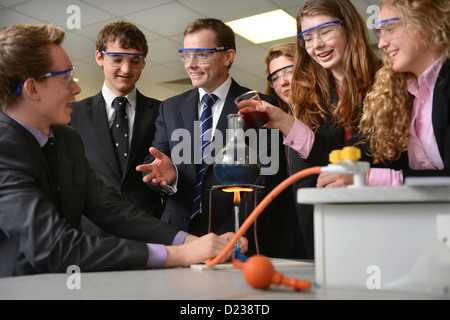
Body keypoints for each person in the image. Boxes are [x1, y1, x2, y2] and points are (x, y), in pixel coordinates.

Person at [0, 23, 245, 277]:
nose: (76, 88)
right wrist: (178, 254)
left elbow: (110, 209)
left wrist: (190, 242)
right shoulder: (4, 148)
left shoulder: (66, 139)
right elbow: (55, 248)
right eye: (65, 79)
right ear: (32, 88)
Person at [240, 0, 379, 259]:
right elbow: (322, 162)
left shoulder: (384, 82)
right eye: (307, 38)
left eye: (325, 31)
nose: (316, 45)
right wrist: (285, 122)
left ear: (349, 26)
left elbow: (386, 157)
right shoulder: (314, 99)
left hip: (383, 218)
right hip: (330, 227)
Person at [137, 18, 287, 257]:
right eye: (186, 55)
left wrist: (234, 230)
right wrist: (168, 177)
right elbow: (154, 162)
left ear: (228, 57)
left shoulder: (258, 105)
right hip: (178, 236)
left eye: (201, 55)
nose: (190, 64)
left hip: (234, 233)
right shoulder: (170, 107)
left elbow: (265, 180)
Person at [316, 0, 450, 188]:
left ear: (430, 21)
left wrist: (371, 179)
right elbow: (369, 146)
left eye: (391, 29)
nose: (381, 44)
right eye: (380, 32)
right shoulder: (402, 92)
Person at [70, 21, 164, 236]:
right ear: (99, 58)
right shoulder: (73, 115)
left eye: (135, 60)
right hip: (92, 233)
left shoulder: (162, 112)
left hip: (150, 230)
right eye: (117, 59)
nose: (126, 69)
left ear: (143, 62)